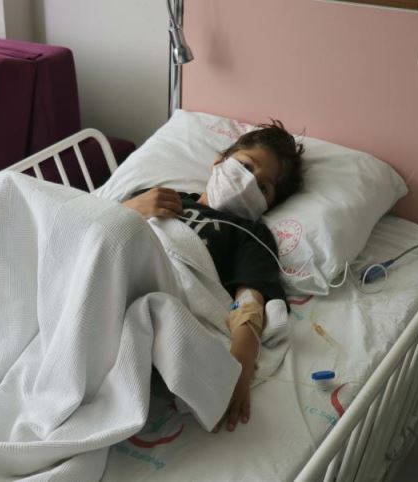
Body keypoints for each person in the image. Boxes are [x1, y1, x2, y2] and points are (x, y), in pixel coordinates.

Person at [122, 120, 304, 432]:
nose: (248, 182)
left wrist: (240, 369)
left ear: (268, 205)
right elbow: (97, 228)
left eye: (263, 187)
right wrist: (129, 207)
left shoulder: (250, 234)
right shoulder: (160, 197)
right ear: (220, 161)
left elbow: (249, 302)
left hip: (159, 296)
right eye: (245, 166)